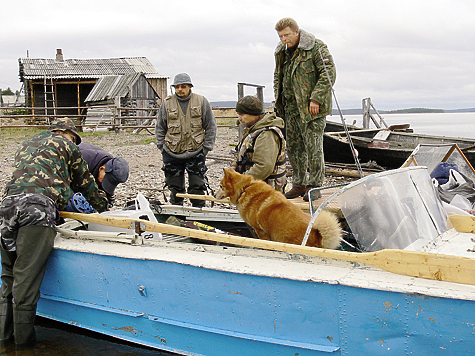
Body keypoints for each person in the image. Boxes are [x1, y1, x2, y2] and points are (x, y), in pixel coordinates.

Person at [0, 118, 108, 350]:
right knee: (26, 280)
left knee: (8, 276)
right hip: (36, 211)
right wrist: (103, 207)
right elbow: (86, 184)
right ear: (70, 135)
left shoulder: (26, 143)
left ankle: (3, 341)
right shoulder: (68, 146)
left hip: (6, 207)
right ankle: (23, 346)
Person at [273, 17, 336, 201]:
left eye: (286, 35)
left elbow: (329, 73)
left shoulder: (316, 47)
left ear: (296, 31)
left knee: (313, 147)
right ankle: (299, 184)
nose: (284, 39)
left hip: (311, 108)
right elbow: (278, 75)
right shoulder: (281, 51)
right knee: (293, 148)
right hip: (290, 107)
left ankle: (315, 185)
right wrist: (278, 98)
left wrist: (316, 98)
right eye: (281, 36)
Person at [156, 73, 217, 207]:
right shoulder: (166, 103)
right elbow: (160, 127)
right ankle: (177, 214)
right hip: (172, 152)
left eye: (183, 86)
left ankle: (198, 213)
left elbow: (211, 126)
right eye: (177, 87)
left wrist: (206, 148)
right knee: (174, 187)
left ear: (190, 87)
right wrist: (162, 147)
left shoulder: (201, 101)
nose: (180, 89)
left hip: (196, 151)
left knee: (198, 186)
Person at [232, 95, 287, 191]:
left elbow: (264, 167)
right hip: (254, 186)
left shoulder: (266, 135)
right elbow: (243, 151)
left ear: (253, 114)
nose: (239, 119)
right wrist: (234, 165)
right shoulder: (253, 129)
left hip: (266, 192)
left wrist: (240, 181)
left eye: (242, 115)